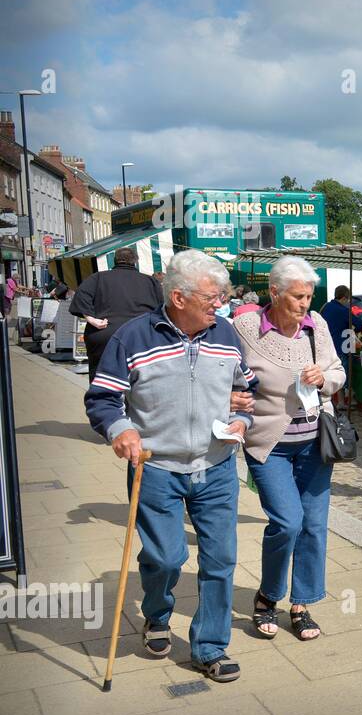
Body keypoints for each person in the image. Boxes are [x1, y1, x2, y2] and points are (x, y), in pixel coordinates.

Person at [84, 250, 255, 683]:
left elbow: (246, 390)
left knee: (220, 560)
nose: (221, 304)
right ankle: (157, 615)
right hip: (155, 467)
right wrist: (121, 429)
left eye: (223, 296)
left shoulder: (227, 335)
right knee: (165, 557)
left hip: (215, 467)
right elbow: (103, 398)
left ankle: (210, 647)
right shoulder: (133, 337)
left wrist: (243, 418)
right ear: (179, 297)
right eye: (213, 296)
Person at [233, 256, 346, 641]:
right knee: (287, 521)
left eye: (309, 296)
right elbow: (230, 375)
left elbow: (338, 371)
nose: (305, 304)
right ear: (275, 292)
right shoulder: (247, 328)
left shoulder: (318, 326)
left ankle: (302, 604)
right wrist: (236, 400)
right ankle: (267, 596)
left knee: (314, 525)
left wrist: (324, 378)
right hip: (270, 445)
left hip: (315, 444)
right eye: (298, 296)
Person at [69, 248, 164, 382]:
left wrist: (93, 320)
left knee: (102, 379)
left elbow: (81, 298)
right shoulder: (150, 281)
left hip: (105, 333)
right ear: (135, 261)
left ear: (115, 260)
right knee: (141, 380)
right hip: (140, 335)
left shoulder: (98, 278)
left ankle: (104, 400)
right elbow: (162, 309)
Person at [320, 284, 353, 386]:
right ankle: (343, 400)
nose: (348, 302)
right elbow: (359, 324)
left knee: (331, 374)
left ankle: (340, 400)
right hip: (340, 347)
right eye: (348, 300)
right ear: (343, 298)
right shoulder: (343, 310)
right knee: (341, 374)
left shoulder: (326, 307)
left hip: (326, 347)